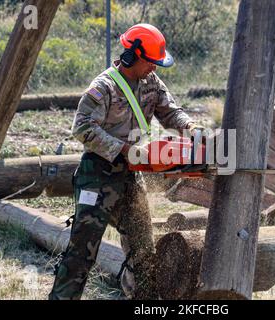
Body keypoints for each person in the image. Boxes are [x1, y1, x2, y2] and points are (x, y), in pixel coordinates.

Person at [49, 23, 202, 300]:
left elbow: (170, 112)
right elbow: (82, 128)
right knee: (82, 252)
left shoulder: (151, 82)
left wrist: (192, 130)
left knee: (144, 249)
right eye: (150, 62)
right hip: (97, 175)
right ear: (132, 56)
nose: (154, 68)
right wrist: (122, 149)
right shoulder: (104, 87)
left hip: (131, 175)